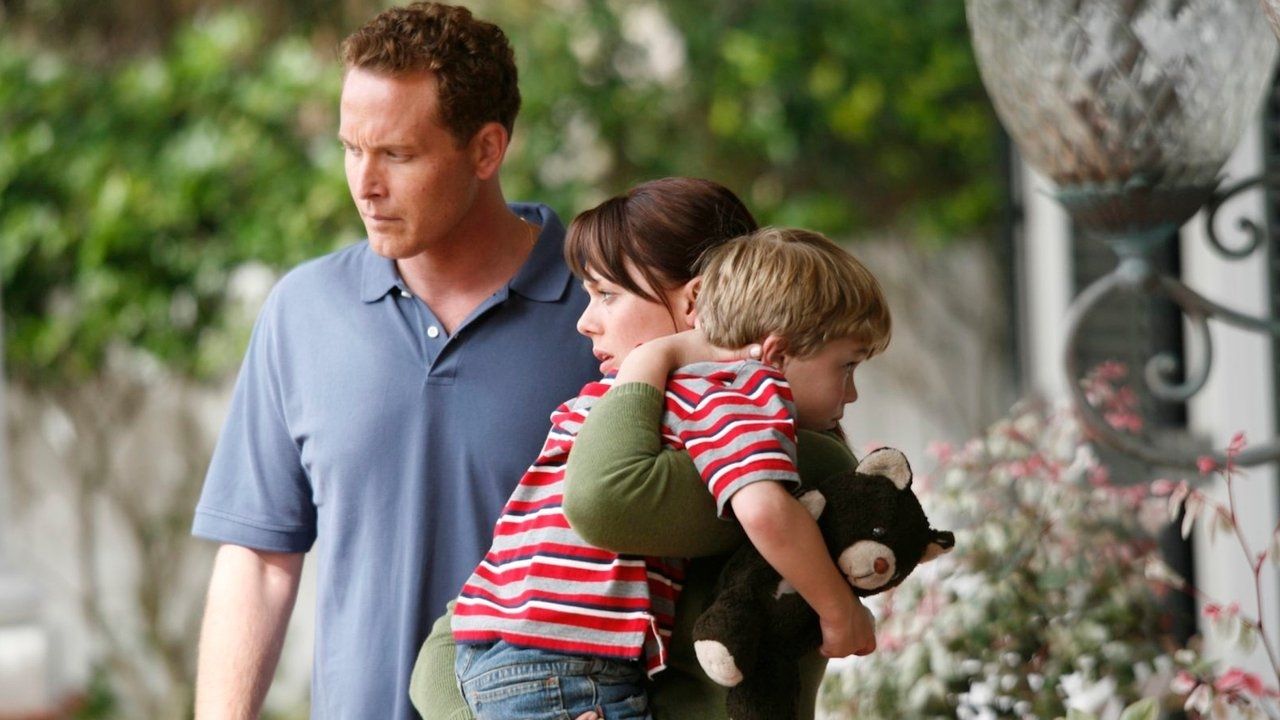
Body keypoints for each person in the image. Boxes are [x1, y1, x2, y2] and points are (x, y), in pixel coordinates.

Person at [189, 4, 599, 718]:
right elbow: (258, 560)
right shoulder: (303, 313)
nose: (364, 184)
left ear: (486, 150)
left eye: (397, 155)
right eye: (352, 148)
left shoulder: (604, 315)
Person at [414, 179, 891, 719]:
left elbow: (604, 503)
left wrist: (658, 358)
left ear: (696, 301)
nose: (584, 321)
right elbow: (448, 640)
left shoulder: (794, 449)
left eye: (607, 293)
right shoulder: (623, 412)